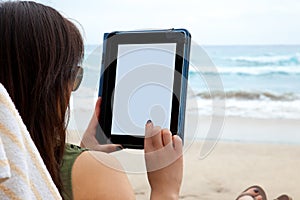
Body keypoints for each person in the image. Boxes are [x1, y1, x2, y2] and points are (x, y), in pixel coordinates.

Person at [0, 1, 183, 200]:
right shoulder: (97, 174)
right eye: (73, 75)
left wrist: (81, 153)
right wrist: (165, 190)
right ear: (47, 84)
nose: (71, 87)